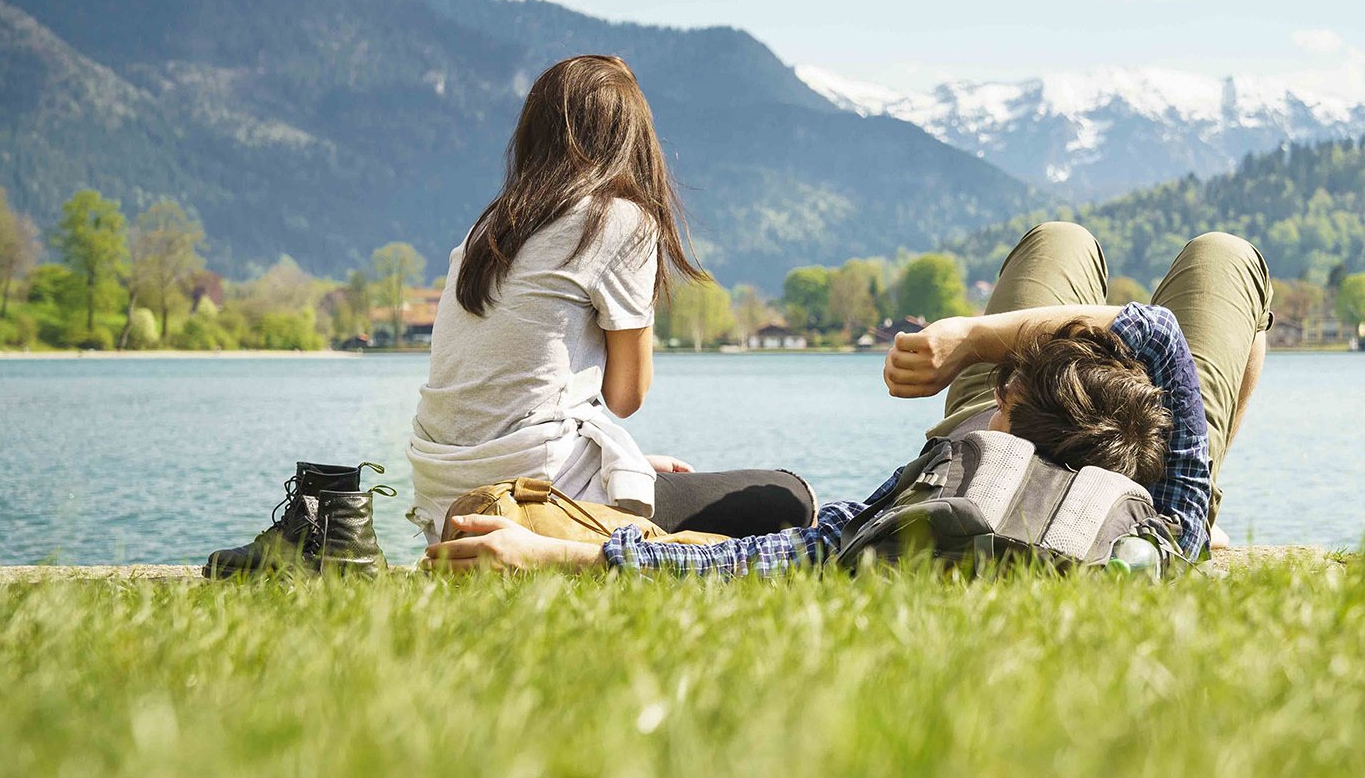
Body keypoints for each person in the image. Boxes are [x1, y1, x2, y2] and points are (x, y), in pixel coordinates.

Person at [423, 221, 1273, 575]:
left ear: (1001, 411)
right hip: (1123, 448)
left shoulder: (947, 496)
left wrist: (557, 556)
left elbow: (767, 559)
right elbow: (1157, 333)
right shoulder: (1169, 525)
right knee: (1229, 259)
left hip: (1085, 428)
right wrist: (977, 346)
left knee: (1062, 241)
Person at [406, 54, 813, 547]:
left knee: (664, 483)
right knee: (790, 498)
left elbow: (519, 398)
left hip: (446, 494)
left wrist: (625, 466)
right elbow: (627, 397)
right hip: (535, 488)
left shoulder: (487, 231)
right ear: (632, 138)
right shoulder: (617, 219)